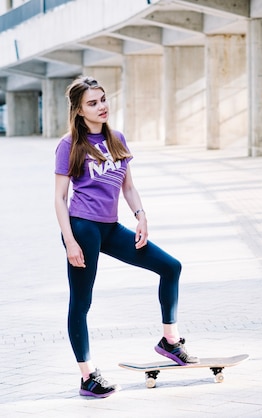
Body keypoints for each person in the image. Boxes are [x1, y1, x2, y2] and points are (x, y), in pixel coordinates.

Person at [54, 76, 199, 398]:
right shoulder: (70, 145)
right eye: (92, 103)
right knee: (82, 302)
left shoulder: (117, 139)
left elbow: (128, 186)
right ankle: (87, 376)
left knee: (170, 267)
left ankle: (170, 341)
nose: (102, 106)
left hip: (110, 226)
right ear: (79, 111)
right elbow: (59, 198)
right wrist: (70, 242)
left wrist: (141, 216)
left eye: (103, 99)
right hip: (82, 228)